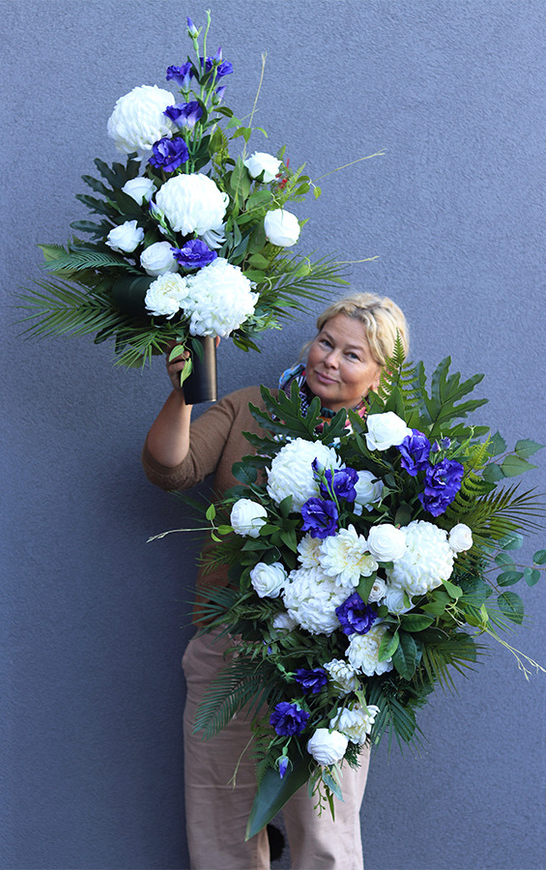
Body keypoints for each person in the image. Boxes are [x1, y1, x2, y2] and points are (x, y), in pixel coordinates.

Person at [142, 293, 409, 870]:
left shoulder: (393, 455)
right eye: (325, 342)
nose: (330, 359)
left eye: (352, 354)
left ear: (379, 375)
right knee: (221, 831)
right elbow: (171, 469)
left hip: (327, 667)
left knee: (324, 834)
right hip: (227, 647)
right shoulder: (251, 408)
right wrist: (183, 394)